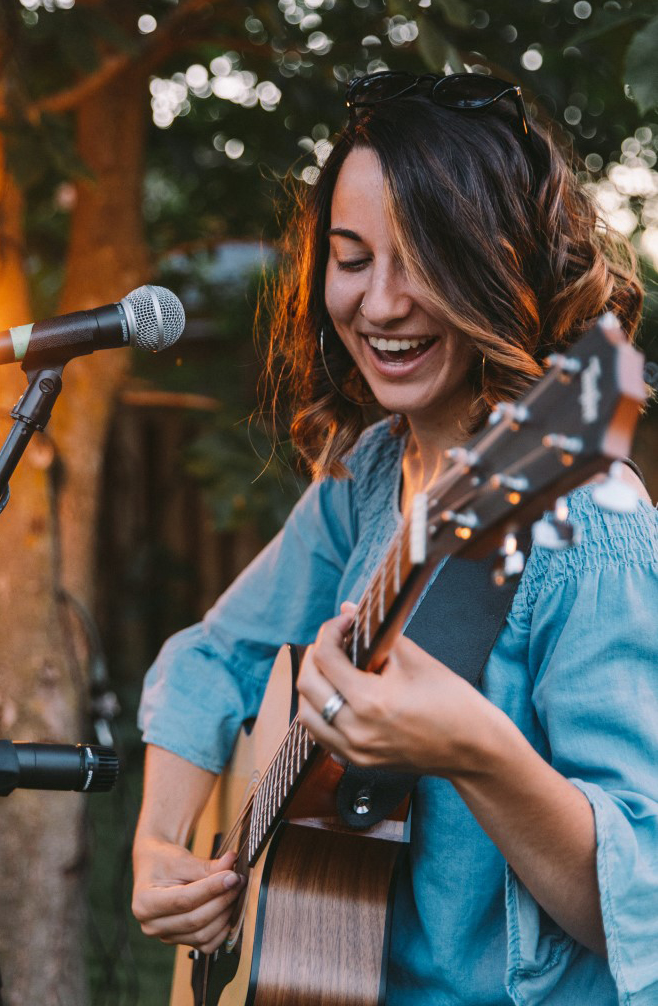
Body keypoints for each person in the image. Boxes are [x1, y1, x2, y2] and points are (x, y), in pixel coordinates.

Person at [131, 71, 658, 1005]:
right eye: (350, 257)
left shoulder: (588, 521)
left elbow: (634, 905)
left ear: (503, 270)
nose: (378, 305)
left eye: (421, 260)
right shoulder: (369, 474)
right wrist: (161, 844)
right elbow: (213, 656)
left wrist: (479, 751)